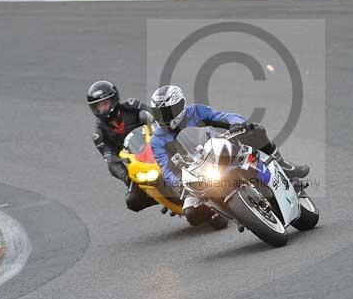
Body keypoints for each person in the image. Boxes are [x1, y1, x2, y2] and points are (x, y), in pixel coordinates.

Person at [148, 84, 309, 225]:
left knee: (255, 131)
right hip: (195, 172)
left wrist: (236, 124)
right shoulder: (157, 140)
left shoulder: (196, 111)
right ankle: (220, 212)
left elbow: (223, 116)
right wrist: (178, 181)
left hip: (218, 150)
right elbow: (165, 167)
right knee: (191, 213)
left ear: (181, 105)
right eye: (159, 114)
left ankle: (283, 165)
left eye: (168, 112)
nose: (164, 118)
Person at [88, 80, 157, 213]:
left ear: (114, 100)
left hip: (158, 148)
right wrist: (127, 177)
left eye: (105, 104)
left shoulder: (133, 106)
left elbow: (155, 119)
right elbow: (111, 161)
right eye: (98, 106)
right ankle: (164, 200)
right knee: (132, 201)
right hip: (140, 165)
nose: (102, 109)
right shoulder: (99, 134)